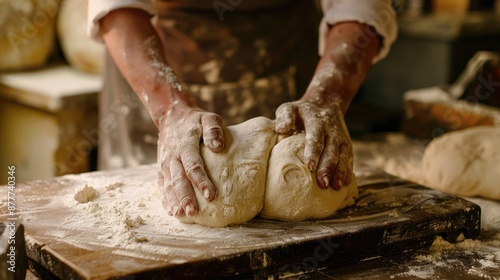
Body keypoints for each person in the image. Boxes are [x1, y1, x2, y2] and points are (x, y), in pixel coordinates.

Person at [87, 0, 397, 218]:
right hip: (152, 65)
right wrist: (170, 109)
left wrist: (327, 95)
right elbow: (116, 6)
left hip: (283, 57)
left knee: (305, 166)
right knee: (156, 199)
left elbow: (362, 6)